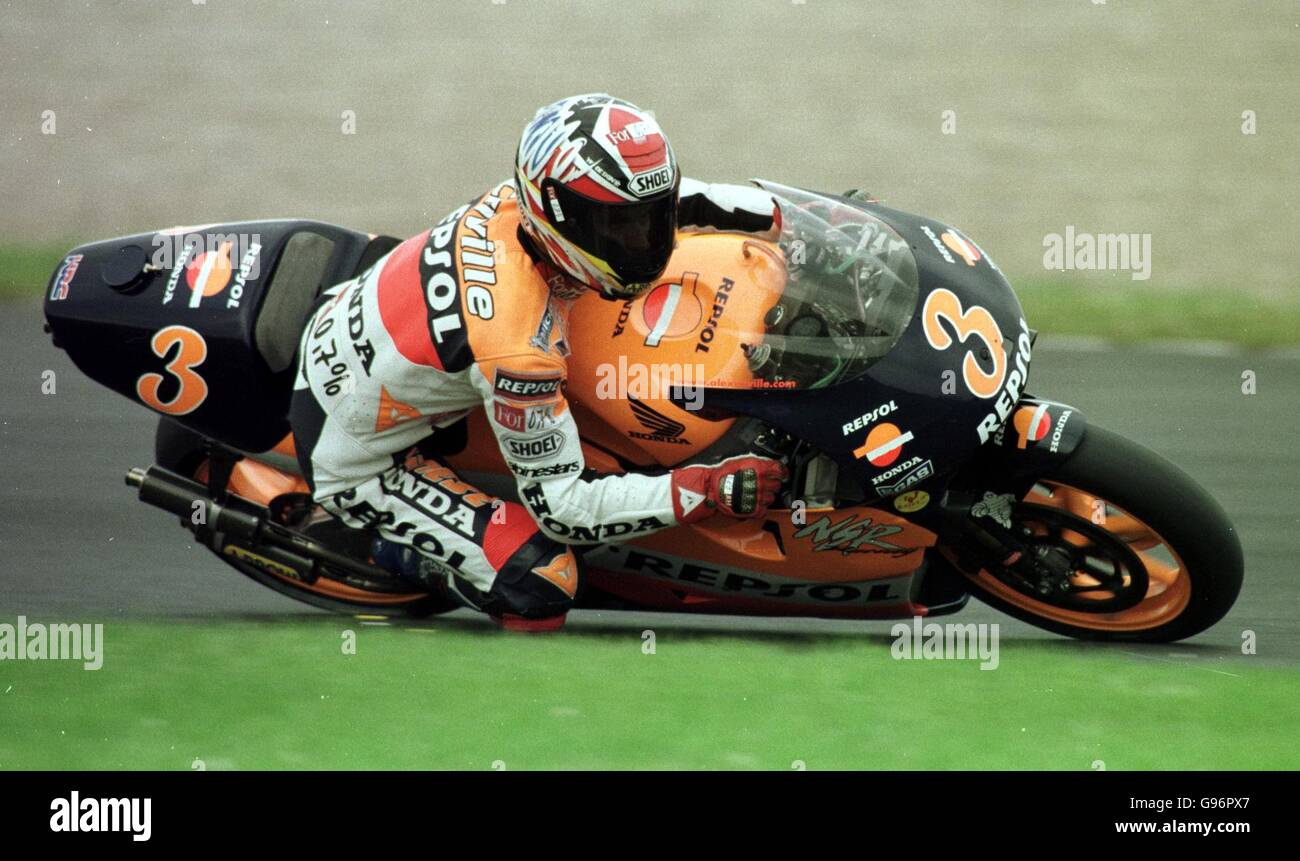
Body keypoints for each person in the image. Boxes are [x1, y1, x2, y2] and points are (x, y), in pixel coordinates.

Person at [289, 93, 786, 631]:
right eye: (620, 227)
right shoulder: (518, 349)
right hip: (360, 455)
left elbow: (691, 200)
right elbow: (563, 508)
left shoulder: (525, 198)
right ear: (557, 213)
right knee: (543, 585)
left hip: (376, 327)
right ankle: (375, 543)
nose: (645, 240)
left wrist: (798, 217)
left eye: (650, 218)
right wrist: (708, 490)